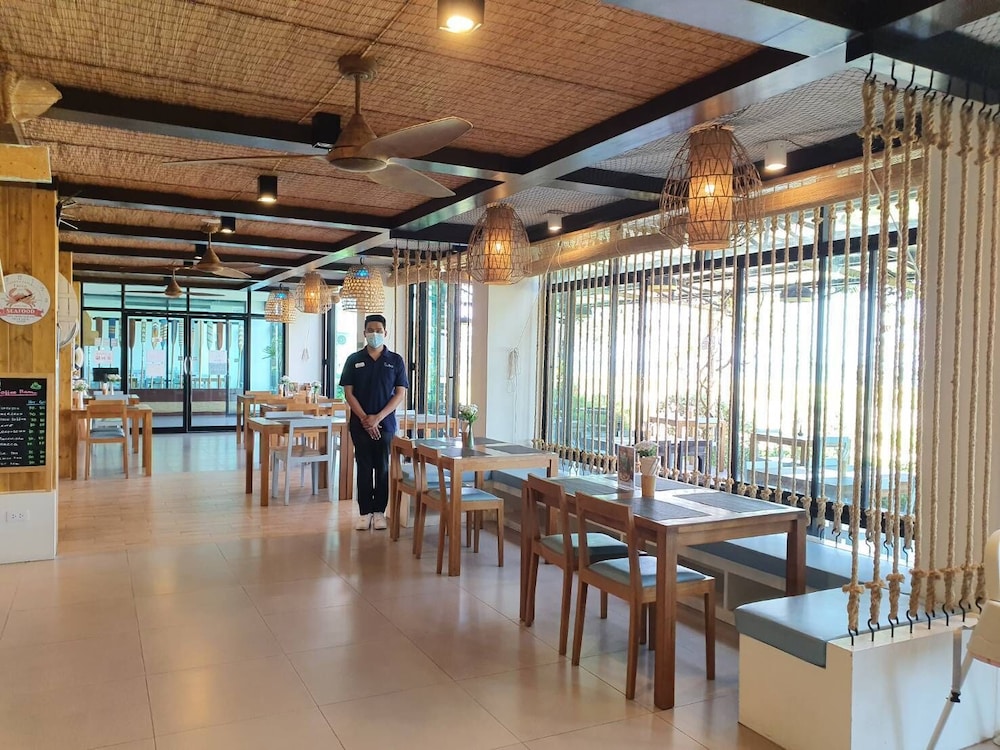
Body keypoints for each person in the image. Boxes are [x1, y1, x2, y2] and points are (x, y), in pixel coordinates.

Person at [339, 313, 409, 530]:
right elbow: (348, 393)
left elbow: (400, 393)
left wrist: (377, 418)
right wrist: (365, 419)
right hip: (359, 425)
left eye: (379, 330)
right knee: (363, 466)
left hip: (385, 424)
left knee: (382, 467)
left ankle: (379, 512)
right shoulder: (353, 359)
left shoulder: (395, 360)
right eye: (371, 330)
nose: (374, 334)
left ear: (385, 332)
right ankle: (364, 512)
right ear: (364, 333)